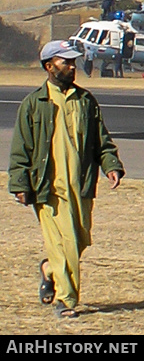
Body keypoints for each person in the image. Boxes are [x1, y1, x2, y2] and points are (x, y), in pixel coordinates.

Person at [9, 40, 124, 318]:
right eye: (65, 61)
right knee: (64, 244)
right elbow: (20, 148)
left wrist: (111, 165)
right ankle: (66, 300)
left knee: (80, 239)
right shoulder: (33, 104)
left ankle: (49, 270)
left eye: (73, 61)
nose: (72, 66)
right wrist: (20, 184)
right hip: (48, 188)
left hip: (81, 186)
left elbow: (102, 140)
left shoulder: (86, 101)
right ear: (49, 66)